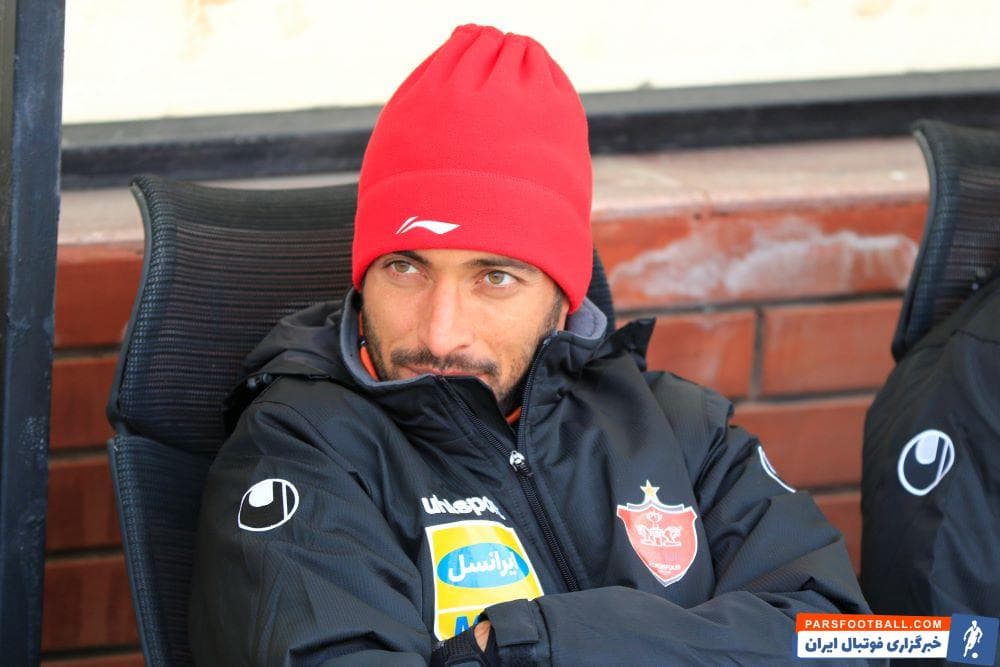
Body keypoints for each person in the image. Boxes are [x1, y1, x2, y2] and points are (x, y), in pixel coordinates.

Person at [190, 24, 870, 665]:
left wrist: (537, 644)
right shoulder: (299, 449)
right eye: (405, 268)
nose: (440, 332)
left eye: (494, 278)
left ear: (562, 297)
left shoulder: (680, 427)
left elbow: (848, 639)